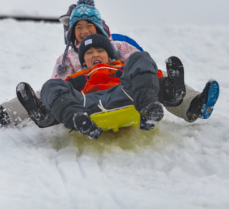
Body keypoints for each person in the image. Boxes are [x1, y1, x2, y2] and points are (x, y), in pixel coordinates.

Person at [0, 0, 140, 127]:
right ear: (71, 33)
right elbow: (57, 87)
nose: (84, 31)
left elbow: (141, 66)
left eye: (89, 26)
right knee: (43, 94)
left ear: (98, 27)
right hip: (85, 101)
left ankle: (166, 97)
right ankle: (2, 115)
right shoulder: (68, 59)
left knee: (156, 76)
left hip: (121, 92)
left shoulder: (119, 47)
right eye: (78, 27)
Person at [17, 34, 187, 139]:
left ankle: (160, 100)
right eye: (89, 53)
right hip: (86, 105)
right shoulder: (78, 77)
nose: (95, 55)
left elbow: (147, 76)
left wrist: (162, 85)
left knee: (141, 58)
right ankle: (60, 117)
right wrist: (63, 91)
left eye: (100, 51)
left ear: (109, 55)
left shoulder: (122, 68)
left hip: (126, 95)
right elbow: (60, 93)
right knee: (52, 86)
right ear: (83, 62)